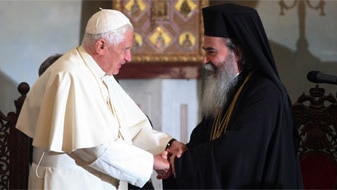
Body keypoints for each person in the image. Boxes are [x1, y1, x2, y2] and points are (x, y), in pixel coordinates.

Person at [16, 9, 185, 190]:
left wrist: (166, 145)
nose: (129, 57)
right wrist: (152, 162)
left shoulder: (98, 73)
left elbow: (131, 128)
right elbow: (94, 148)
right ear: (101, 46)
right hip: (68, 182)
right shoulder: (71, 74)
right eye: (125, 49)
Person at [161, 3, 303, 189]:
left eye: (211, 52)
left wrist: (182, 164)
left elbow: (238, 151)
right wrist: (180, 152)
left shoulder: (266, 93)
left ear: (237, 53)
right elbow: (203, 137)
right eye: (205, 51)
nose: (204, 60)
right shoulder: (227, 88)